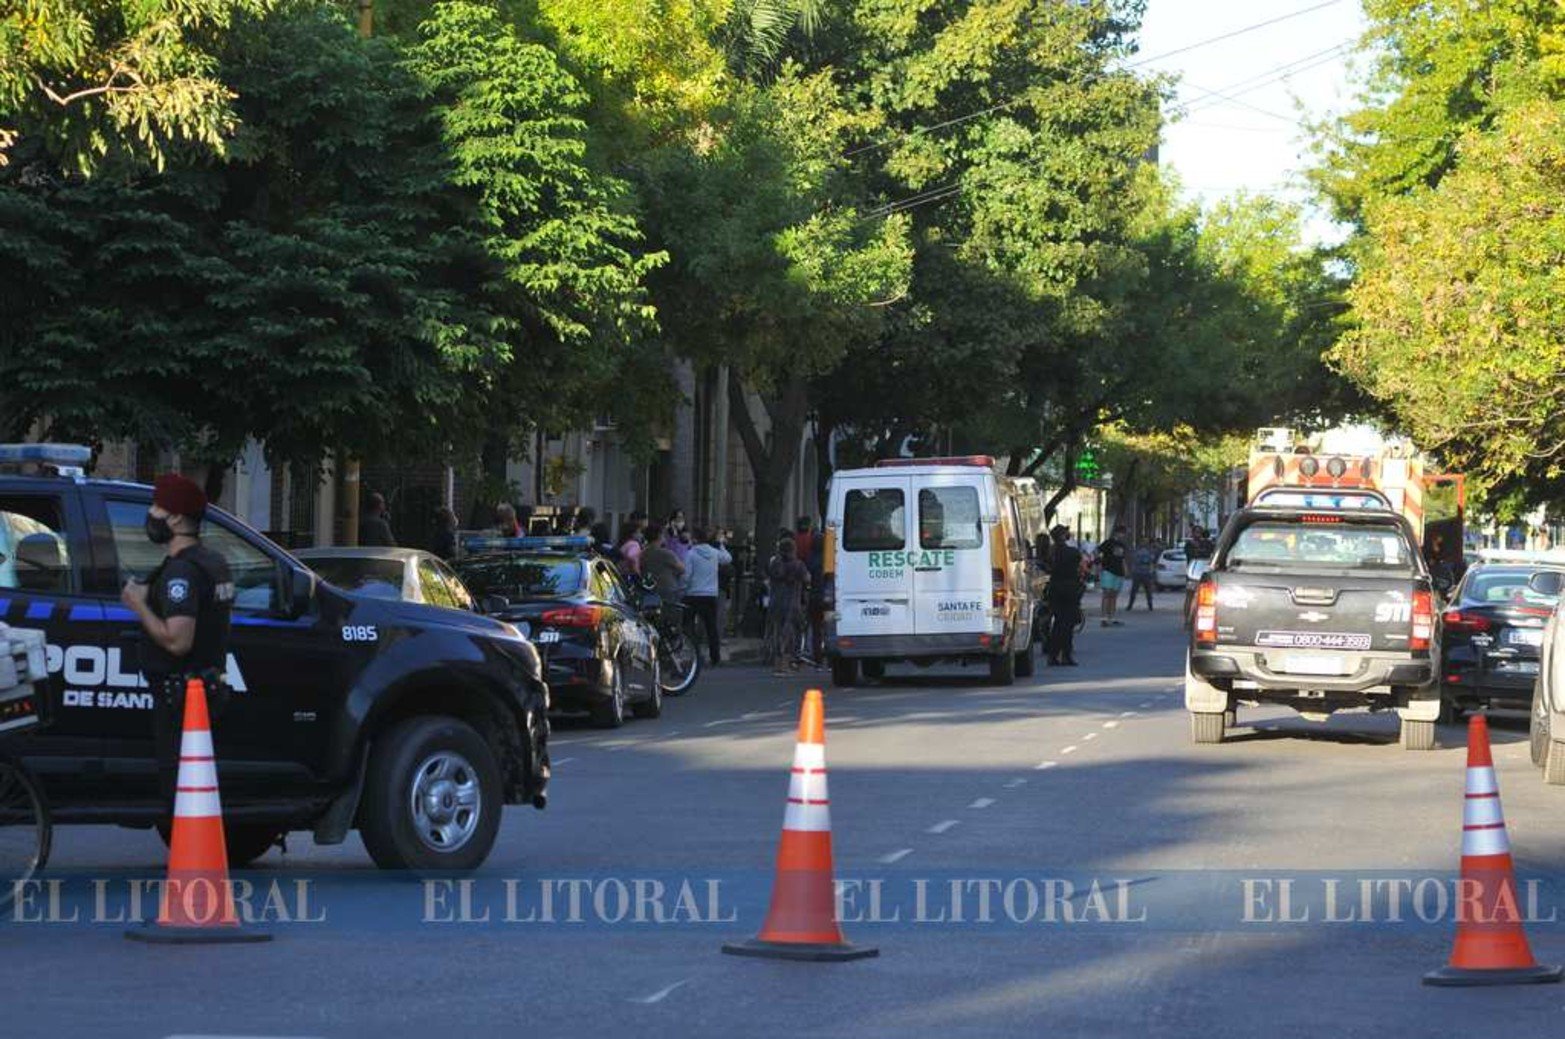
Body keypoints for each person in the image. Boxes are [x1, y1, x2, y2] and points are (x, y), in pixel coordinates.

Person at [119, 474, 236, 811]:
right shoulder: (214, 562)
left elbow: (177, 641)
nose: (151, 514)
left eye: (157, 507)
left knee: (181, 798)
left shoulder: (182, 573)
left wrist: (138, 604)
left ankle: (193, 863)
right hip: (205, 694)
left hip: (181, 700)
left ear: (175, 518)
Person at [684, 527, 732, 666]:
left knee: (689, 625)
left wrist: (684, 588)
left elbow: (687, 575)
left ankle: (693, 652)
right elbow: (728, 558)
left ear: (695, 539)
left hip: (692, 594)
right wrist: (721, 544)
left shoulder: (691, 554)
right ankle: (715, 656)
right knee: (711, 627)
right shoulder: (714, 553)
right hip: (710, 594)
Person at [766, 536, 810, 675]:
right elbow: (807, 579)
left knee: (776, 632)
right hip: (792, 603)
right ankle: (786, 664)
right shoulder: (798, 565)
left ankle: (777, 665)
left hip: (775, 602)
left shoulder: (774, 564)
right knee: (790, 634)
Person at [1044, 525, 1084, 666]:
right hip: (1070, 590)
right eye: (1066, 532)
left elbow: (1047, 568)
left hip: (1055, 590)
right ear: (1062, 535)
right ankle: (1066, 654)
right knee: (1067, 625)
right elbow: (1081, 568)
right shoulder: (1072, 552)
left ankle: (1053, 655)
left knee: (1058, 624)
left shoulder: (1051, 552)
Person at [642, 523, 686, 604]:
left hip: (650, 589)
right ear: (659, 535)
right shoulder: (666, 553)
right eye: (663, 534)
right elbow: (682, 569)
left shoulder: (643, 553)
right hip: (668, 588)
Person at [1097, 524, 1129, 626]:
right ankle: (1104, 618)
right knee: (1107, 593)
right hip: (1108, 570)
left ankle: (1111, 617)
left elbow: (1122, 558)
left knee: (1114, 595)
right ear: (1117, 533)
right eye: (1122, 533)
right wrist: (1099, 564)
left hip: (1118, 572)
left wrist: (1125, 569)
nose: (1123, 535)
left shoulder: (1122, 545)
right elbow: (1098, 551)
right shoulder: (1108, 543)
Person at [1127, 537, 1156, 612]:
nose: (1144, 543)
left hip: (1140, 572)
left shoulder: (1137, 551)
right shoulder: (1148, 551)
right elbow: (1151, 560)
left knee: (1140, 590)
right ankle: (1149, 605)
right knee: (1146, 591)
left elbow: (1134, 559)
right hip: (1142, 573)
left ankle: (1131, 605)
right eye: (1143, 541)